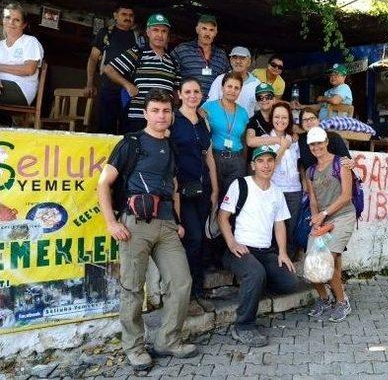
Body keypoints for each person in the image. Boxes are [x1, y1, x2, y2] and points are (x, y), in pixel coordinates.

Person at [97, 89, 196, 371]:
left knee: (180, 282)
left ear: (171, 114)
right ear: (145, 113)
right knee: (132, 289)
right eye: (155, 110)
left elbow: (174, 187)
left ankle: (167, 340)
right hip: (134, 225)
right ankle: (134, 347)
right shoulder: (132, 143)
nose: (161, 116)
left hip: (166, 225)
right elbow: (104, 183)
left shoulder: (171, 146)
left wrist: (176, 221)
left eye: (165, 111)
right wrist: (111, 223)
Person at [218, 145, 298, 347]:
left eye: (270, 161)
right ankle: (243, 326)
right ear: (253, 165)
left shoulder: (277, 193)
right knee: (255, 273)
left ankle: (252, 289)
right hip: (240, 249)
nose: (266, 165)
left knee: (290, 281)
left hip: (266, 251)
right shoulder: (240, 185)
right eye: (260, 161)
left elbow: (279, 224)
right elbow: (222, 217)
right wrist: (232, 243)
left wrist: (282, 252)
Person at [170, 77, 218, 315]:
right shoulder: (172, 119)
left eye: (196, 91)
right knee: (194, 238)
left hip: (204, 189)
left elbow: (209, 156)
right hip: (182, 191)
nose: (192, 95)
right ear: (179, 94)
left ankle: (198, 290)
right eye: (187, 91)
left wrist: (216, 190)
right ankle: (188, 294)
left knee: (202, 240)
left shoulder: (203, 121)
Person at [304, 126, 356, 322]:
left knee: (327, 260)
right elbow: (313, 200)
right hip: (323, 220)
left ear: (326, 142)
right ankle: (325, 299)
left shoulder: (340, 164)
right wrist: (316, 218)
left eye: (319, 143)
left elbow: (346, 196)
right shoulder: (310, 172)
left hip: (342, 216)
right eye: (312, 144)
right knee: (311, 264)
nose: (316, 147)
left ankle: (342, 302)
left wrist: (324, 214)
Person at [104, 13, 180, 133]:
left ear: (167, 35)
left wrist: (173, 111)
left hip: (162, 120)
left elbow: (176, 92)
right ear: (148, 32)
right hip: (138, 118)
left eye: (164, 31)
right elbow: (109, 69)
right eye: (155, 30)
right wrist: (127, 85)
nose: (160, 35)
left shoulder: (173, 62)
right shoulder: (137, 53)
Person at [84, 3, 142, 134]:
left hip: (129, 90)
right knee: (105, 127)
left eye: (131, 15)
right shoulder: (105, 33)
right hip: (107, 87)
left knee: (126, 129)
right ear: (115, 16)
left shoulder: (137, 37)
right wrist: (89, 83)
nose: (128, 17)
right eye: (124, 14)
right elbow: (93, 58)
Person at [201, 71, 249, 198]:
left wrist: (243, 161)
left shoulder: (243, 113)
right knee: (212, 197)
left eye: (236, 88)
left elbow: (244, 140)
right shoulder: (207, 107)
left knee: (233, 200)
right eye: (229, 86)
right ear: (222, 87)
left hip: (236, 160)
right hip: (214, 157)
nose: (232, 91)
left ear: (240, 91)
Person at [268, 102, 301, 258]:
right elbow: (269, 166)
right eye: (276, 117)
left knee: (291, 227)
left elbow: (299, 165)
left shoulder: (294, 140)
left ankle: (289, 263)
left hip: (295, 190)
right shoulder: (266, 139)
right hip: (275, 190)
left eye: (284, 117)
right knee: (275, 228)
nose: (280, 120)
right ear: (271, 118)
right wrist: (282, 146)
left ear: (289, 119)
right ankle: (275, 262)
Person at [170, 14, 229, 98]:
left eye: (211, 30)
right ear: (197, 30)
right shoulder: (182, 50)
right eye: (204, 28)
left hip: (212, 108)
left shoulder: (221, 55)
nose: (207, 33)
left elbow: (228, 81)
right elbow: (170, 74)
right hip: (187, 105)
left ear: (215, 33)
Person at [0, 3, 44, 107]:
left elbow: (29, 69)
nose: (11, 22)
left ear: (24, 25)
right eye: (8, 18)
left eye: (17, 20)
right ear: (3, 20)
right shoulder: (0, 45)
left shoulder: (30, 42)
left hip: (20, 90)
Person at [206, 46, 259, 114]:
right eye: (234, 57)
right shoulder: (220, 79)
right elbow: (210, 105)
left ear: (249, 62)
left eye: (242, 58)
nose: (237, 61)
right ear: (230, 61)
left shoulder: (256, 84)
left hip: (246, 123)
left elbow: (259, 108)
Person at [245, 82, 279, 148]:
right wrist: (277, 139)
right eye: (260, 98)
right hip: (259, 157)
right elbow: (250, 141)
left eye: (268, 97)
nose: (264, 100)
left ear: (274, 99)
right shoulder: (252, 120)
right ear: (257, 101)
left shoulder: (279, 116)